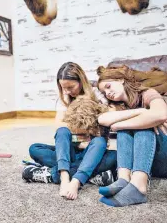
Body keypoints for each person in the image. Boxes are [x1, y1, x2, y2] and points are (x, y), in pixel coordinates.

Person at [22, 62, 117, 200]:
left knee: (109, 152)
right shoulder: (63, 98)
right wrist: (79, 141)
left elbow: (101, 129)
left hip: (91, 148)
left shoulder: (97, 95)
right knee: (36, 148)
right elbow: (60, 127)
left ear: (81, 81)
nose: (66, 91)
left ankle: (60, 176)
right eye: (63, 88)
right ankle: (69, 176)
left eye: (70, 87)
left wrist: (84, 135)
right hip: (70, 147)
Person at [97, 65, 167, 207]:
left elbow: (162, 114)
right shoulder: (117, 105)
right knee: (126, 128)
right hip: (148, 161)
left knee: (142, 128)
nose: (108, 93)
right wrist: (142, 112)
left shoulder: (147, 93)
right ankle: (123, 180)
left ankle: (139, 187)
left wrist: (122, 124)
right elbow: (102, 119)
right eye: (104, 92)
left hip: (164, 156)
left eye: (109, 86)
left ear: (121, 79)